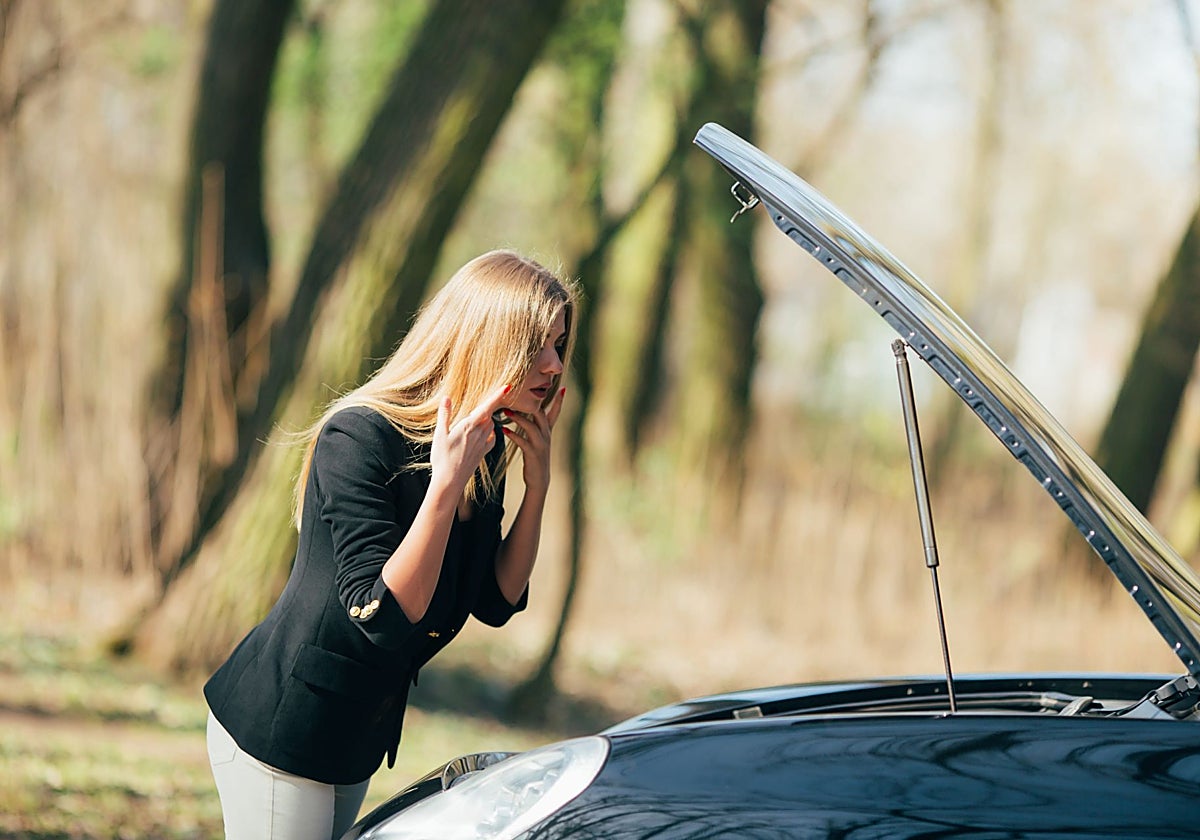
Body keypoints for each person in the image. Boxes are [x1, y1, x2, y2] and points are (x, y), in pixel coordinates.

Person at [202, 249, 578, 840]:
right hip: (282, 730)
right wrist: (445, 487)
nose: (555, 365)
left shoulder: (481, 447)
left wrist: (538, 486)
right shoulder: (358, 436)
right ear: (488, 340)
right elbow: (382, 613)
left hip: (355, 738)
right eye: (541, 345)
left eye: (560, 345)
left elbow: (496, 601)